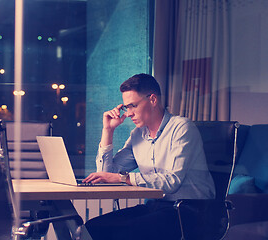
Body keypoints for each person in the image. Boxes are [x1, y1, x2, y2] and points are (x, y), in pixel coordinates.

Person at [83, 73, 215, 240]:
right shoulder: (138, 134)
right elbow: (105, 173)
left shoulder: (182, 128)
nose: (129, 113)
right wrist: (108, 131)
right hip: (156, 206)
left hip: (190, 211)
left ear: (152, 100)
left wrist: (122, 178)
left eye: (133, 106)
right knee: (93, 228)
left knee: (124, 234)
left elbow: (171, 182)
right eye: (126, 107)